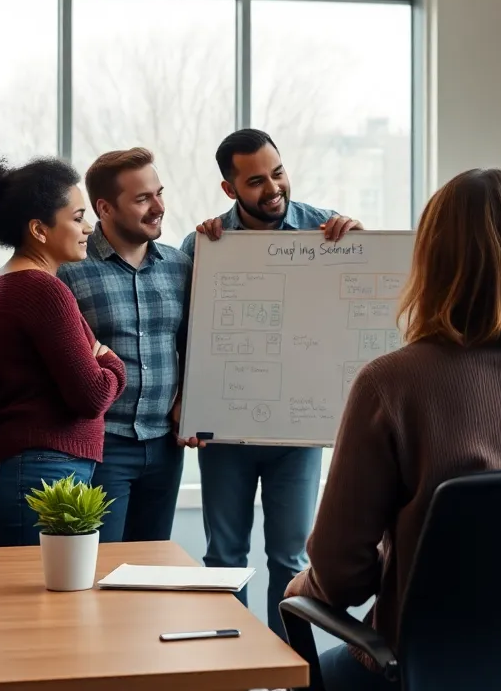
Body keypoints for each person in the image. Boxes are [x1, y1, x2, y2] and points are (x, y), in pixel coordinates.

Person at [285, 167, 501, 690]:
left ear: (432, 262)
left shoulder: (391, 384)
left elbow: (341, 575)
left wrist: (304, 585)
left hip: (429, 667)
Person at [180, 128, 362, 640]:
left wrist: (364, 246)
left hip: (298, 432)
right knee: (224, 557)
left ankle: (293, 670)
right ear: (229, 188)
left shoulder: (330, 231)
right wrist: (186, 405)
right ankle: (229, 666)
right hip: (225, 429)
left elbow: (363, 310)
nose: (273, 187)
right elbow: (185, 333)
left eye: (277, 172)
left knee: (290, 557)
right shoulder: (205, 244)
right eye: (256, 180)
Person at [0, 154, 127, 547]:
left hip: (30, 464)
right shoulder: (43, 290)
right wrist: (111, 363)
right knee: (38, 606)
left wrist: (100, 359)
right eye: (76, 218)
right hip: (41, 467)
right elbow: (93, 395)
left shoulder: (0, 282)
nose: (89, 227)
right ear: (39, 229)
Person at [58, 148, 191, 544]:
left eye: (159, 193)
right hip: (102, 446)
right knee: (100, 569)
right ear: (105, 207)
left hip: (166, 447)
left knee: (150, 571)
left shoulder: (181, 267)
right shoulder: (70, 270)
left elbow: (196, 346)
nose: (158, 207)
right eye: (142, 199)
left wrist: (189, 398)